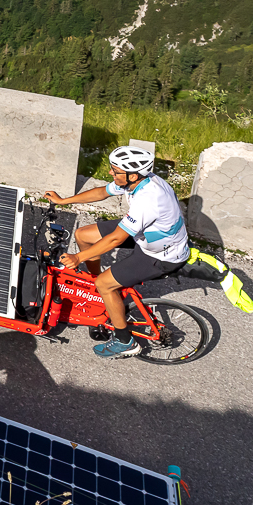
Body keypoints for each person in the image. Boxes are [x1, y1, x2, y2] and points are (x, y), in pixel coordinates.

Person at [44, 145, 190, 359]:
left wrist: (78, 257)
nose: (110, 172)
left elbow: (115, 239)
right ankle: (98, 292)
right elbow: (102, 192)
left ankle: (124, 341)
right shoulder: (137, 181)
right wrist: (64, 201)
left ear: (133, 175)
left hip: (160, 255)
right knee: (84, 235)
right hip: (148, 235)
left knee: (104, 283)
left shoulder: (148, 199)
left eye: (115, 170)